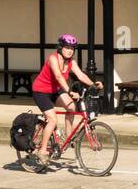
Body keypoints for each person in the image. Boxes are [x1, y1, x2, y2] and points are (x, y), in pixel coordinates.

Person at [31, 34, 102, 166]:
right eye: (67, 47)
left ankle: (68, 138)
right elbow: (58, 76)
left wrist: (93, 84)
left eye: (72, 48)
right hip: (40, 91)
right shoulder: (53, 58)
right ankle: (42, 151)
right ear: (60, 48)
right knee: (52, 119)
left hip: (54, 91)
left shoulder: (71, 62)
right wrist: (69, 91)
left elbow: (80, 74)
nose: (70, 50)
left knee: (71, 107)